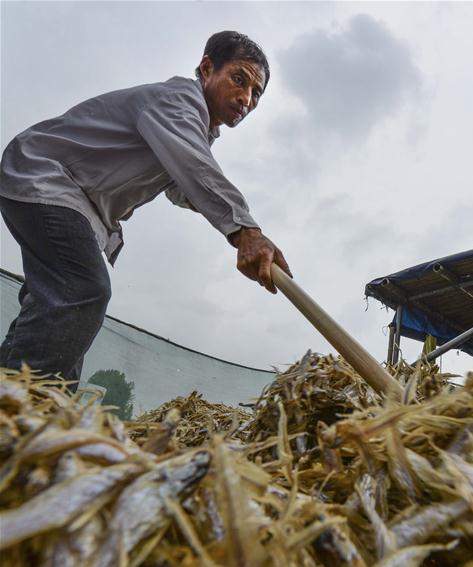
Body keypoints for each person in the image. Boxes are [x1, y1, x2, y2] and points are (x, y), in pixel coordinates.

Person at [0, 31, 291, 390]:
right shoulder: (177, 103)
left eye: (256, 93)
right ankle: (28, 415)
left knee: (56, 308)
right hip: (45, 178)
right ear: (207, 68)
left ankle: (23, 403)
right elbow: (195, 167)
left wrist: (218, 209)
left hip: (63, 196)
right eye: (239, 79)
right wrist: (246, 230)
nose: (246, 97)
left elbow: (184, 185)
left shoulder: (193, 127)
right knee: (81, 290)